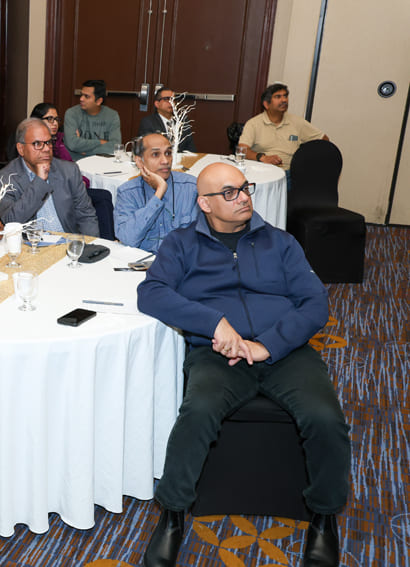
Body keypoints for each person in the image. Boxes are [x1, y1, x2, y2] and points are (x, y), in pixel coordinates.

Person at [137, 162, 350, 567]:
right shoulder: (181, 243)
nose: (244, 198)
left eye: (244, 188)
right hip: (217, 354)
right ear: (204, 203)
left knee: (326, 419)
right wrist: (214, 323)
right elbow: (151, 292)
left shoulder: (280, 242)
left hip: (285, 351)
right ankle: (173, 515)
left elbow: (316, 303)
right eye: (229, 192)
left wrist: (268, 345)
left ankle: (323, 517)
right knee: (197, 411)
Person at [0, 118, 99, 236]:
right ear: (21, 149)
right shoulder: (4, 179)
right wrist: (39, 182)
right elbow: (11, 221)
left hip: (69, 241)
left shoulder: (69, 171)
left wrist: (90, 244)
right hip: (31, 245)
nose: (46, 149)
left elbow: (86, 216)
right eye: (37, 144)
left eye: (48, 142)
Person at [114, 132, 199, 252]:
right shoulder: (128, 193)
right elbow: (128, 239)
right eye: (155, 154)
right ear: (139, 161)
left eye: (168, 153)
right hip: (143, 260)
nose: (165, 161)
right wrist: (159, 193)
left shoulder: (191, 188)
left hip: (181, 259)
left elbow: (200, 239)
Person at [238, 83, 328, 171]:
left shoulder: (298, 122)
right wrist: (263, 158)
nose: (284, 100)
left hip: (288, 173)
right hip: (262, 171)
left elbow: (324, 140)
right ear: (266, 104)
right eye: (278, 97)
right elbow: (242, 150)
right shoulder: (253, 124)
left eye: (285, 96)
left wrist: (307, 160)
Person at [63, 79, 121, 161]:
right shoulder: (72, 114)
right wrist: (100, 142)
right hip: (77, 163)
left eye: (86, 96)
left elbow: (115, 147)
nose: (81, 99)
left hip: (103, 162)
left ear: (99, 101)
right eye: (81, 95)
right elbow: (72, 144)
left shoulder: (112, 116)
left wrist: (86, 151)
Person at [6, 103, 72, 162]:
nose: (55, 123)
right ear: (37, 120)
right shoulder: (27, 139)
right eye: (50, 119)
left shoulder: (62, 138)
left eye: (56, 119)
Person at [138, 86, 197, 153]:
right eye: (166, 99)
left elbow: (191, 149)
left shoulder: (182, 121)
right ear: (157, 104)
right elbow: (146, 150)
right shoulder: (148, 122)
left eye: (173, 99)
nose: (171, 102)